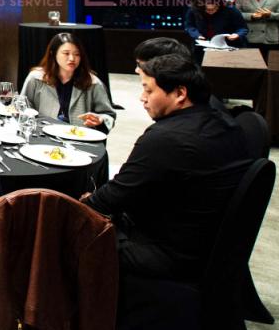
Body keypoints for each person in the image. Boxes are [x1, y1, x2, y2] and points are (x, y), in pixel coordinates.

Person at [82, 54, 250, 280]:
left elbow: (109, 199)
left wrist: (81, 203)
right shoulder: (227, 123)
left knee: (68, 229)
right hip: (210, 248)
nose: (142, 98)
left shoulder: (167, 138)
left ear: (180, 94)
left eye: (149, 90)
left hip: (167, 253)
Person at [20, 32, 116, 132]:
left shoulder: (92, 83)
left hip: (79, 136)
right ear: (53, 53)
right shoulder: (36, 78)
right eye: (66, 53)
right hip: (42, 134)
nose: (72, 58)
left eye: (77, 54)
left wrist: (100, 120)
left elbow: (109, 115)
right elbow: (23, 107)